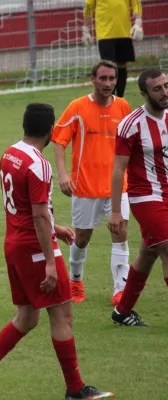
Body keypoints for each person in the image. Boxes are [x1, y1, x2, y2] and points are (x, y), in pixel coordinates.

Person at [0, 104, 113, 400]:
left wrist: (55, 227)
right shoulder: (39, 164)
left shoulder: (9, 153)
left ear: (23, 123)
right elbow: (38, 215)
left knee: (27, 317)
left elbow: (23, 205)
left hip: (14, 244)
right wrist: (49, 259)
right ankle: (75, 389)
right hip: (34, 248)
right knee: (62, 316)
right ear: (51, 131)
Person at [52, 60, 132, 305]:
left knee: (120, 232)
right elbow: (58, 140)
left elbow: (131, 145)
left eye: (111, 79)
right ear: (93, 79)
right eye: (103, 79)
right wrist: (63, 175)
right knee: (83, 237)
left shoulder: (123, 107)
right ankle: (75, 280)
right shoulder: (77, 107)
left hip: (118, 187)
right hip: (85, 187)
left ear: (117, 80)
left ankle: (120, 290)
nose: (107, 84)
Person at [108, 67, 168, 327]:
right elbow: (118, 169)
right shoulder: (131, 124)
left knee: (149, 253)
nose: (164, 92)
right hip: (146, 198)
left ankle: (122, 311)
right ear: (144, 93)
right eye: (157, 89)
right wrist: (115, 211)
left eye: (166, 85)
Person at [82, 0, 143, 98]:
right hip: (104, 34)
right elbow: (89, 6)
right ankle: (111, 98)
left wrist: (138, 22)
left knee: (122, 65)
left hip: (124, 32)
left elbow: (137, 3)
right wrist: (85, 30)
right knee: (108, 66)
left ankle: (120, 97)